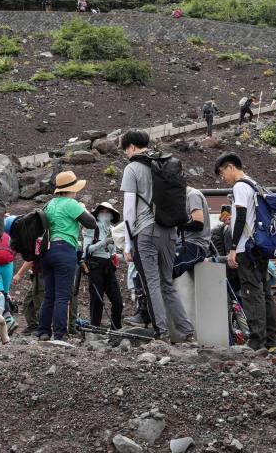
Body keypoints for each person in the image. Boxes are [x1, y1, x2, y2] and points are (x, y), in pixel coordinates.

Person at [122, 130, 194, 343]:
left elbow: (128, 209)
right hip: (169, 230)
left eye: (126, 150)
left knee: (151, 282)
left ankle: (160, 333)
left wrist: (127, 243)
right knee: (167, 282)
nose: (126, 154)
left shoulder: (132, 168)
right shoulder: (164, 164)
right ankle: (186, 331)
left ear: (132, 147)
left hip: (146, 231)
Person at [215, 152, 276, 351]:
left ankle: (257, 340)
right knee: (264, 292)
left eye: (222, 173)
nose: (222, 178)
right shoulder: (254, 183)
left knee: (252, 293)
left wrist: (233, 248)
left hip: (246, 248)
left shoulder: (240, 186)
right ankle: (271, 339)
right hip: (259, 247)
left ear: (230, 167)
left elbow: (241, 217)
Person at [32, 171, 97, 341]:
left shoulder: (49, 204)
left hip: (47, 253)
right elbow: (91, 223)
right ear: (71, 189)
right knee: (62, 295)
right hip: (64, 251)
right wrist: (83, 209)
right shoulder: (71, 203)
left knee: (49, 294)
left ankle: (43, 331)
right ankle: (60, 333)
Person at [82, 202, 124, 329]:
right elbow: (87, 250)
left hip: (109, 267)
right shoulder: (92, 228)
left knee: (118, 302)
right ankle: (95, 329)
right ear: (98, 214)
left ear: (112, 215)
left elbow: (114, 254)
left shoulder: (113, 230)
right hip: (95, 267)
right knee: (97, 301)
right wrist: (104, 242)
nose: (105, 215)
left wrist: (128, 258)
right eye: (102, 212)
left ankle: (116, 328)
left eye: (108, 212)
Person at [178, 186, 211, 274]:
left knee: (165, 266)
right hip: (183, 244)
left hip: (194, 244)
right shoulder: (182, 198)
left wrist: (176, 224)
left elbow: (198, 225)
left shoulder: (193, 195)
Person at [12, 260, 42, 335]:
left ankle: (43, 328)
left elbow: (30, 259)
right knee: (28, 301)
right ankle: (34, 326)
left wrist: (19, 274)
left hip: (42, 274)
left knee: (39, 302)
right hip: (39, 274)